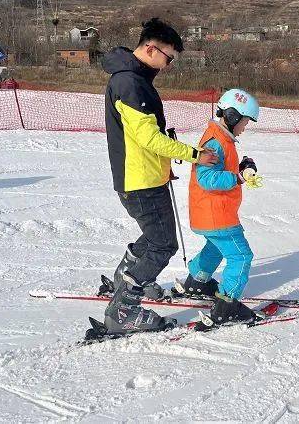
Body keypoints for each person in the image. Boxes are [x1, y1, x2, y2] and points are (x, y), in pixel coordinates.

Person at [102, 17, 218, 335]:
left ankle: (124, 281)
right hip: (140, 180)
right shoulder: (129, 83)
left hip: (147, 175)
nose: (167, 65)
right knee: (162, 243)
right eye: (168, 58)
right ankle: (124, 309)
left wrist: (165, 164)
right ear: (151, 48)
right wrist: (195, 155)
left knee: (154, 237)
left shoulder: (133, 78)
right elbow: (149, 139)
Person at [179, 88, 262, 326]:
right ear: (234, 116)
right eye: (245, 121)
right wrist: (238, 178)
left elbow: (222, 169)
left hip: (209, 214)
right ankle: (227, 305)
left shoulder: (220, 138)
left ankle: (198, 281)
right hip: (219, 215)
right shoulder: (216, 142)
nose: (245, 127)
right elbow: (207, 179)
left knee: (215, 248)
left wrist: (242, 165)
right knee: (241, 256)